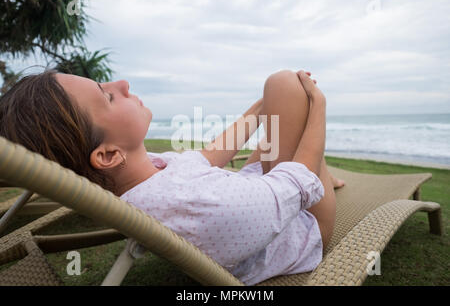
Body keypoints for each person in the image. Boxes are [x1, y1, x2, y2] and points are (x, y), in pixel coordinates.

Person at [0, 68, 345, 285]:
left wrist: (265, 107)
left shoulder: (145, 177)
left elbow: (207, 158)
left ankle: (302, 132)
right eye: (107, 95)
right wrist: (317, 107)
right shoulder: (197, 205)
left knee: (280, 95)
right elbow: (298, 183)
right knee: (284, 84)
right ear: (107, 155)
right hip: (303, 227)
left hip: (263, 191)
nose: (122, 83)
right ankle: (327, 171)